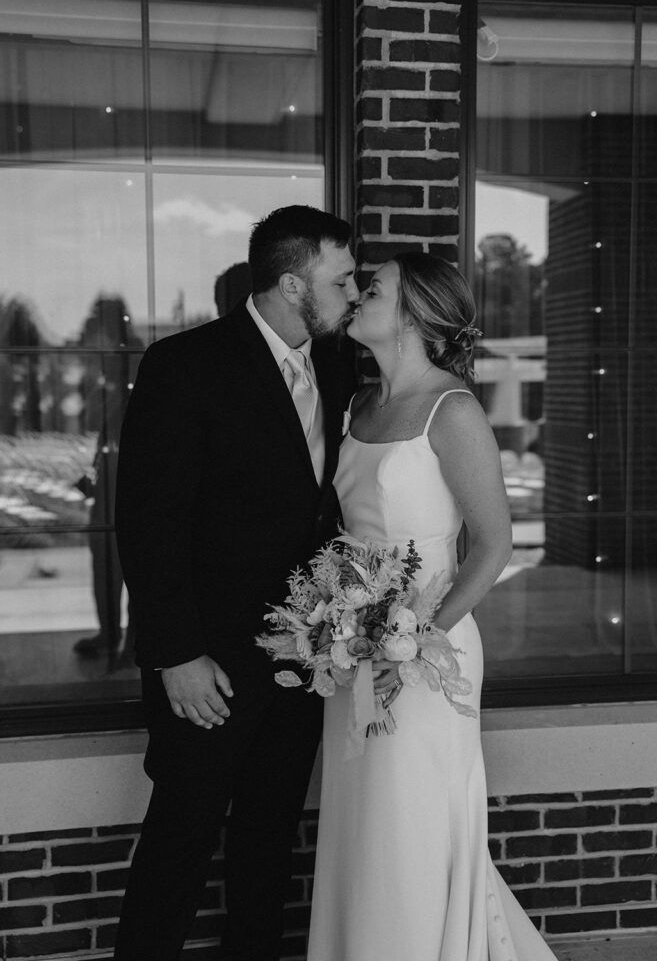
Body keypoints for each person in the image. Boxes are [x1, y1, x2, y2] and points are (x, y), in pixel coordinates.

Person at [113, 205, 358, 961]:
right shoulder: (185, 365)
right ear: (292, 282)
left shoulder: (339, 363)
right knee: (180, 839)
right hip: (207, 665)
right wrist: (176, 653)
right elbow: (148, 522)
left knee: (269, 838)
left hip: (299, 657)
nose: (355, 293)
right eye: (341, 279)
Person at [307, 252, 558, 961]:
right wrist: (335, 624)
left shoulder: (453, 410)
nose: (355, 297)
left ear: (414, 313)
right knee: (361, 818)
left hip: (428, 653)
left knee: (408, 817)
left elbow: (494, 545)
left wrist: (415, 643)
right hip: (351, 645)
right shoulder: (359, 404)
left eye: (371, 289)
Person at [73, 296, 142, 668]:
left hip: (134, 480)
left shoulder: (135, 363)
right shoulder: (107, 366)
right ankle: (110, 634)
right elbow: (97, 426)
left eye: (96, 322)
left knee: (133, 562)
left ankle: (132, 640)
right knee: (103, 560)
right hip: (109, 478)